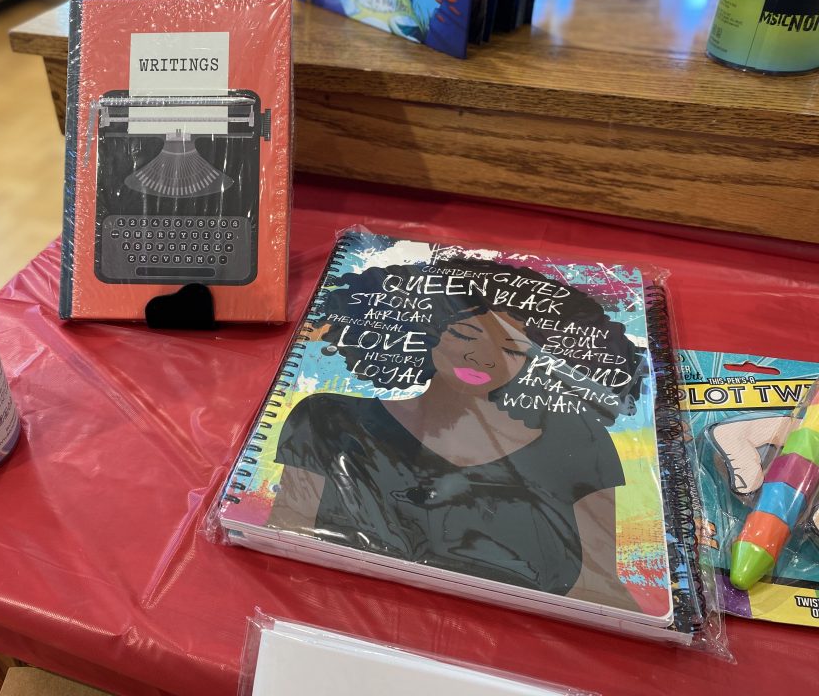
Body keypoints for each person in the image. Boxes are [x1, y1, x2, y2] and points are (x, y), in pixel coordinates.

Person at [269, 257, 646, 610]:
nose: (483, 359)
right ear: (429, 332)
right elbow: (283, 536)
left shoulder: (577, 443)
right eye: (466, 335)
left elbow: (600, 585)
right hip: (333, 608)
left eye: (512, 349)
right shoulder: (328, 419)